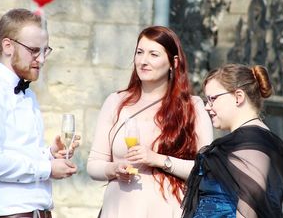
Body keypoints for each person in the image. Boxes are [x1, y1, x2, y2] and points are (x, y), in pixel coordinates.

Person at [0, 8, 79, 218]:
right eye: (34, 50)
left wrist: (50, 153)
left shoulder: (27, 95)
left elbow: (18, 152)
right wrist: (48, 168)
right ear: (8, 46)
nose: (41, 59)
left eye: (45, 50)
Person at [87, 26, 213, 218]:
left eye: (153, 54)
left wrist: (157, 159)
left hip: (167, 209)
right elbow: (94, 165)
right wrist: (114, 169)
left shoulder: (192, 107)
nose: (143, 61)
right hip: (119, 209)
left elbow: (207, 170)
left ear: (174, 62)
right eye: (139, 52)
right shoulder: (116, 101)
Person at [182, 64, 283, 218]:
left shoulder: (252, 142)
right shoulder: (245, 140)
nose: (207, 107)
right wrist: (158, 160)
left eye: (212, 99)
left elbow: (248, 210)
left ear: (238, 97)